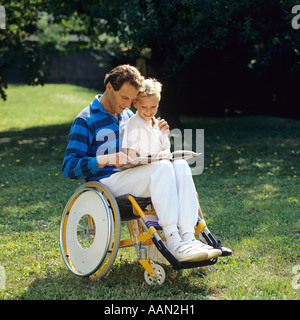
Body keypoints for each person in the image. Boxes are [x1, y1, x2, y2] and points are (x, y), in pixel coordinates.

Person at [62, 65, 221, 262]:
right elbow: (69, 166)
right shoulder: (85, 120)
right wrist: (105, 159)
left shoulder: (129, 115)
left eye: (132, 100)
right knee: (162, 168)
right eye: (124, 98)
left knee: (180, 165)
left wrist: (160, 131)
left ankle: (189, 237)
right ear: (110, 87)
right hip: (107, 183)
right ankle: (173, 240)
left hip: (136, 173)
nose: (129, 105)